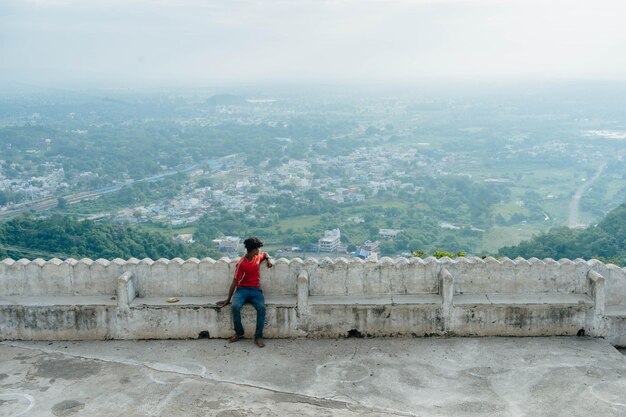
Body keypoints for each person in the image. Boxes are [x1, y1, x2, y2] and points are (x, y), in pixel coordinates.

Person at [216, 237, 272, 348]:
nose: (259, 251)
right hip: (242, 290)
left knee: (261, 308)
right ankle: (239, 333)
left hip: (255, 290)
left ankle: (258, 336)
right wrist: (228, 299)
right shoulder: (242, 263)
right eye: (258, 249)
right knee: (235, 306)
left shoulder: (257, 257)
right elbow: (234, 282)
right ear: (253, 250)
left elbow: (265, 254)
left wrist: (269, 259)